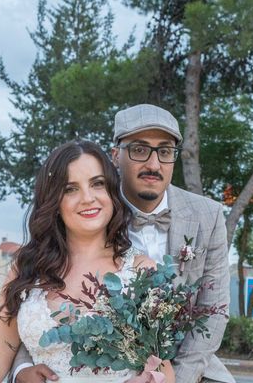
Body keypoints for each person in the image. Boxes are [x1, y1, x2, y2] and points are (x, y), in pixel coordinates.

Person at [13, 104, 234, 383]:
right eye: (140, 150)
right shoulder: (93, 207)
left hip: (193, 368)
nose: (154, 165)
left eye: (164, 151)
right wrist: (22, 368)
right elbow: (39, 300)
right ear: (116, 156)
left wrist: (172, 379)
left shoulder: (208, 215)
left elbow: (215, 311)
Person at [0, 140, 175, 383]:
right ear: (54, 201)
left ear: (112, 192)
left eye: (97, 184)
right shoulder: (27, 269)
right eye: (71, 189)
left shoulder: (143, 272)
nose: (87, 198)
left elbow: (163, 368)